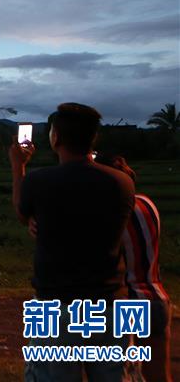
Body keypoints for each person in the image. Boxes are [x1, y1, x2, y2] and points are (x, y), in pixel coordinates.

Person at [10, 103, 135, 381]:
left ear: (55, 138)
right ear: (93, 139)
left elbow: (21, 211)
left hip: (55, 303)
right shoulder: (122, 182)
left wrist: (18, 166)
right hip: (112, 301)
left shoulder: (39, 181)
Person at [96, 154, 172, 382]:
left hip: (126, 304)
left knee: (121, 375)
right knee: (159, 376)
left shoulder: (113, 214)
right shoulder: (148, 203)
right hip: (157, 298)